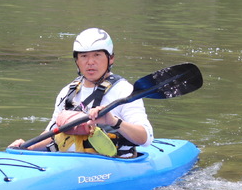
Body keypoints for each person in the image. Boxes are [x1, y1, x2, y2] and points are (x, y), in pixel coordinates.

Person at [9, 28, 153, 158]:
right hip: (72, 165)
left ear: (111, 58)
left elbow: (145, 138)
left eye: (97, 55)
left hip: (113, 164)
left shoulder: (124, 91)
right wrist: (27, 147)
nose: (90, 62)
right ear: (77, 61)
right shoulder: (68, 92)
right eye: (84, 56)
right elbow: (52, 134)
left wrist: (113, 121)